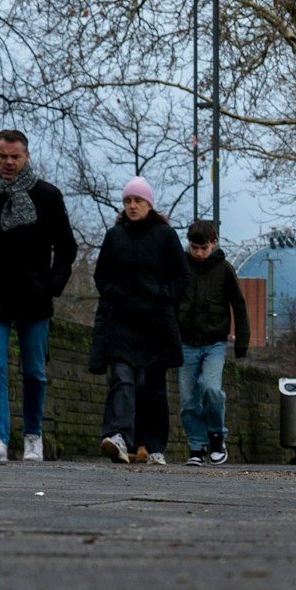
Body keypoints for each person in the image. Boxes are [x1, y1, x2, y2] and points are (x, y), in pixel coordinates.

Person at [0, 130, 79, 464]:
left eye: (15, 156)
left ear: (26, 156)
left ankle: (32, 437)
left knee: (34, 372)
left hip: (33, 297)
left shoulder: (48, 196)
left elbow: (67, 247)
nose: (8, 162)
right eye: (2, 156)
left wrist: (52, 285)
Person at [90, 177, 185, 466]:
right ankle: (118, 436)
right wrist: (115, 293)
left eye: (138, 201)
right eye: (128, 201)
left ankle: (152, 444)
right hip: (121, 320)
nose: (132, 206)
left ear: (149, 204)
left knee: (151, 386)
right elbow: (101, 276)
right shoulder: (114, 236)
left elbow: (182, 277)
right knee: (122, 378)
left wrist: (160, 294)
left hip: (154, 323)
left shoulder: (165, 236)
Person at [177, 221, 250, 466]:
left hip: (214, 342)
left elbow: (239, 305)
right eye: (194, 248)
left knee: (211, 389)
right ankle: (196, 446)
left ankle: (217, 436)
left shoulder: (225, 270)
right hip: (186, 341)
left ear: (214, 244)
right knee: (188, 398)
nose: (198, 253)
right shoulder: (180, 267)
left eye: (204, 248)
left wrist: (242, 341)